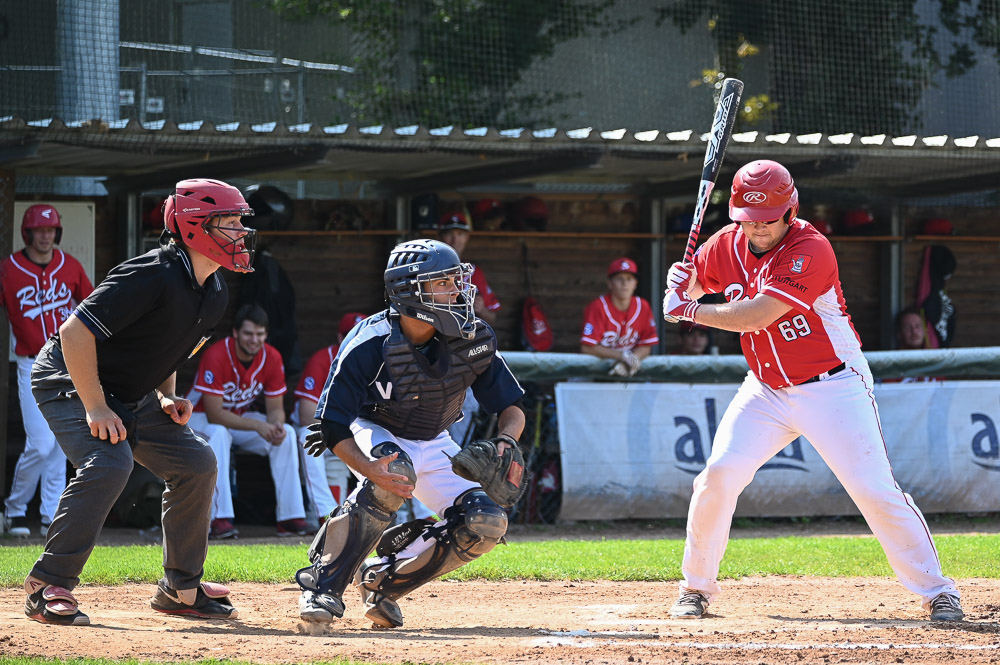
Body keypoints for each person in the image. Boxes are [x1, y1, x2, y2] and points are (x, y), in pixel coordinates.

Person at [661, 159, 963, 622]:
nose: (758, 228)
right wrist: (685, 283)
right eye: (749, 218)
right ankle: (696, 588)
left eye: (768, 218)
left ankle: (938, 590)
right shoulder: (727, 243)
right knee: (719, 474)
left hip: (833, 385)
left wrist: (690, 310)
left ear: (790, 210)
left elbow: (757, 315)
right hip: (766, 389)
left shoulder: (811, 249)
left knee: (873, 489)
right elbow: (699, 279)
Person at [24, 178, 254, 625]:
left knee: (198, 463)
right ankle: (46, 584)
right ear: (195, 227)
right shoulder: (152, 273)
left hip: (128, 391)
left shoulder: (215, 290)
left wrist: (166, 395)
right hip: (69, 376)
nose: (241, 232)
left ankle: (180, 587)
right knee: (110, 463)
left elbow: (168, 348)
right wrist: (96, 407)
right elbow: (74, 333)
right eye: (230, 222)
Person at [295, 238, 525, 629]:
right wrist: (368, 469)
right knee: (393, 475)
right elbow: (332, 424)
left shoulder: (473, 335)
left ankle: (382, 581)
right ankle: (322, 586)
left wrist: (506, 440)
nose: (457, 291)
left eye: (456, 280)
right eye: (443, 282)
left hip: (435, 438)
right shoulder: (369, 342)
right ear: (409, 291)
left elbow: (512, 407)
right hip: (374, 428)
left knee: (487, 520)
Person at [187, 304, 319, 539]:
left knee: (287, 434)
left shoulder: (271, 356)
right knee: (219, 433)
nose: (254, 339)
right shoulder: (217, 354)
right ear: (235, 333)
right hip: (198, 417)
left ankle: (290, 518)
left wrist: (275, 426)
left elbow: (276, 409)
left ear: (266, 335)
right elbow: (214, 413)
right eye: (248, 333)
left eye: (259, 334)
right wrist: (259, 426)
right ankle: (218, 518)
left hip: (237, 417)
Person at [2, 205, 94, 537]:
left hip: (67, 362)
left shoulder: (70, 266)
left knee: (58, 445)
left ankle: (50, 515)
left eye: (51, 230)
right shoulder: (8, 269)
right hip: (31, 362)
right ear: (27, 233)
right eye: (39, 230)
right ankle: (13, 509)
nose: (45, 236)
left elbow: (92, 306)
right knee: (41, 444)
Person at [437, 210, 501, 445]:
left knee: (464, 415)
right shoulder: (427, 269)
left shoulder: (473, 272)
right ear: (440, 236)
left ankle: (455, 461)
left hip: (467, 355)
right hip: (435, 353)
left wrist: (481, 309)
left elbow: (493, 316)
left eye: (460, 234)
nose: (455, 239)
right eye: (450, 233)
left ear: (467, 238)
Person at [293, 311, 368, 509]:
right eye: (350, 335)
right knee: (306, 436)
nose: (356, 341)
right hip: (324, 432)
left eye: (361, 335)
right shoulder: (322, 359)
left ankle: (412, 514)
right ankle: (324, 511)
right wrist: (340, 431)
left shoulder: (373, 361)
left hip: (351, 434)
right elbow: (306, 416)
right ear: (340, 337)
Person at [580, 257, 659, 377]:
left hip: (629, 371)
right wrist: (621, 356)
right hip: (595, 373)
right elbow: (587, 347)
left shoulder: (643, 306)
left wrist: (630, 360)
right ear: (610, 283)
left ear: (635, 284)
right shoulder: (598, 307)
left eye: (629, 279)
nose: (624, 284)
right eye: (619, 279)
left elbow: (646, 345)